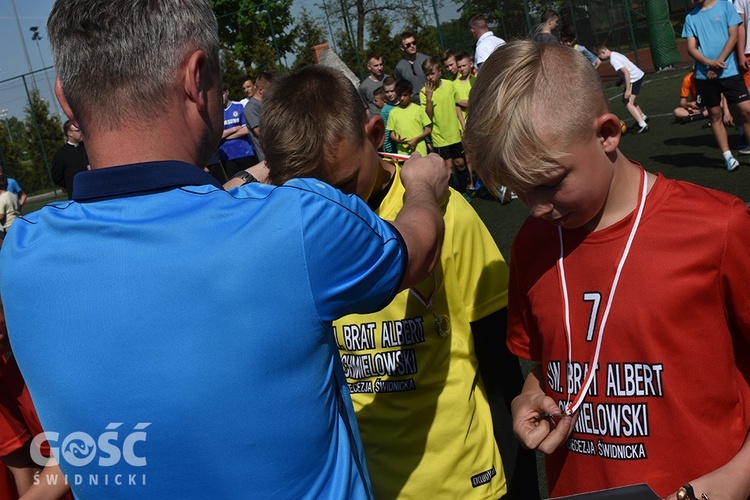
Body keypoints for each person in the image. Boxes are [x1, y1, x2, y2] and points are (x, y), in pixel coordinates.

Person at [0, 1, 450, 498]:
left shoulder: (20, 253)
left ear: (66, 101)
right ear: (197, 78)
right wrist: (424, 186)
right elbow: (416, 251)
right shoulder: (296, 223)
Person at [464, 39, 750, 500]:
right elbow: (547, 362)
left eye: (549, 184)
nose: (535, 208)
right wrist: (528, 395)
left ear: (607, 134)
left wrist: (740, 475)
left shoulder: (717, 227)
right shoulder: (531, 245)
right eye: (519, 191)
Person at [261, 63, 539, 500]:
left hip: (465, 486)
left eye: (343, 185)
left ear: (375, 135)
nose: (332, 210)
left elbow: (499, 364)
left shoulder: (447, 214)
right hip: (360, 487)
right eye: (309, 197)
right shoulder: (286, 232)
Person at [683, 0, 750, 171]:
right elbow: (691, 48)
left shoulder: (725, 6)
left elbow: (733, 36)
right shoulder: (690, 18)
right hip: (704, 76)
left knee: (746, 111)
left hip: (729, 72)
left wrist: (717, 63)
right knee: (714, 114)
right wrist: (708, 63)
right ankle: (728, 157)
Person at [420, 56, 469, 193]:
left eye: (432, 73)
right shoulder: (424, 92)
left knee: (460, 163)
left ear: (439, 71)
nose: (429, 77)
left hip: (454, 133)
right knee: (448, 168)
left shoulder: (449, 85)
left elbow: (457, 105)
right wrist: (429, 99)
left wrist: (462, 124)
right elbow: (427, 116)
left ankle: (463, 191)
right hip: (439, 137)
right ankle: (454, 194)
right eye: (427, 74)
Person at [596, 44, 650, 134]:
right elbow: (626, 69)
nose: (601, 58)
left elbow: (626, 73)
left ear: (603, 52)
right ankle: (642, 116)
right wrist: (620, 80)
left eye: (600, 56)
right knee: (626, 100)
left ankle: (643, 125)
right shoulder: (615, 54)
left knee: (629, 103)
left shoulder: (613, 59)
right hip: (636, 76)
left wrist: (628, 90)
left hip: (634, 79)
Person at [219, 84, 256, 178]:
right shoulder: (216, 113)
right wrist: (234, 129)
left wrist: (226, 136)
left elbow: (246, 129)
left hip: (245, 152)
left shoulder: (239, 106)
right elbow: (217, 135)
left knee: (252, 182)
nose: (220, 97)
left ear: (227, 92)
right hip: (227, 156)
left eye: (222, 94)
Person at [388, 80, 432, 156]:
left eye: (405, 95)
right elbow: (391, 133)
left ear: (411, 94)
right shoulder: (393, 112)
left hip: (420, 151)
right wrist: (397, 140)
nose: (402, 98)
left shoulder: (418, 110)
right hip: (403, 152)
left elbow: (428, 130)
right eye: (399, 95)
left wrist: (416, 139)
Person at [51, 120, 88, 199]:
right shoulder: (61, 154)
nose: (81, 132)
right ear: (69, 133)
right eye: (78, 130)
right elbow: (57, 177)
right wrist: (70, 184)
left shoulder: (87, 147)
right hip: (76, 195)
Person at [243, 71, 272, 161]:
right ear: (260, 90)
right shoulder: (251, 108)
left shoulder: (267, 105)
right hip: (268, 158)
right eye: (270, 90)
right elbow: (260, 132)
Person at [394, 33, 430, 104]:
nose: (412, 46)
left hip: (430, 99)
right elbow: (400, 89)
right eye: (408, 45)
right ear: (402, 48)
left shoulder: (427, 60)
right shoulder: (399, 67)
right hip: (413, 104)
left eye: (414, 43)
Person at [359, 52, 390, 117]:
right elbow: (365, 108)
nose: (379, 68)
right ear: (369, 67)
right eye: (376, 65)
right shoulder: (363, 87)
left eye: (381, 64)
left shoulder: (390, 80)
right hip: (376, 120)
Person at [381, 76, 399, 154]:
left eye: (392, 91)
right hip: (396, 149)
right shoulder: (385, 111)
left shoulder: (405, 103)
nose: (390, 94)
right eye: (387, 92)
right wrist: (391, 153)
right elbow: (386, 133)